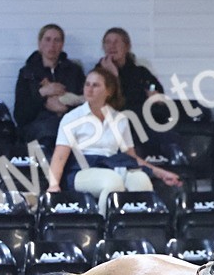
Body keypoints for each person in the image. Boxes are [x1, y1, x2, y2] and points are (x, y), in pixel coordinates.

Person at [45, 66, 181, 215]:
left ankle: (138, 228)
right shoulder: (72, 118)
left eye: (95, 85)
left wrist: (159, 172)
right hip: (81, 170)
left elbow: (131, 157)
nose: (89, 89)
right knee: (112, 181)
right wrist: (53, 185)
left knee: (141, 180)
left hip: (112, 166)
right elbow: (59, 155)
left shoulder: (120, 119)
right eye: (87, 84)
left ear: (108, 91)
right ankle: (104, 228)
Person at [97, 27, 178, 160]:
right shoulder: (97, 74)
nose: (112, 46)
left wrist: (157, 99)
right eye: (108, 42)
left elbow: (159, 99)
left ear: (127, 46)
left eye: (117, 42)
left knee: (169, 136)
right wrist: (113, 77)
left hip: (144, 123)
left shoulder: (140, 72)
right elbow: (112, 103)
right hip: (113, 125)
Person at [13, 23, 85, 149]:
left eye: (57, 40)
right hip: (38, 127)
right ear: (40, 44)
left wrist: (64, 109)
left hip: (70, 123)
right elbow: (20, 115)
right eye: (47, 39)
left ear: (62, 45)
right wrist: (42, 94)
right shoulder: (27, 73)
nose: (52, 45)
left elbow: (85, 103)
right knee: (50, 133)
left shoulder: (74, 71)